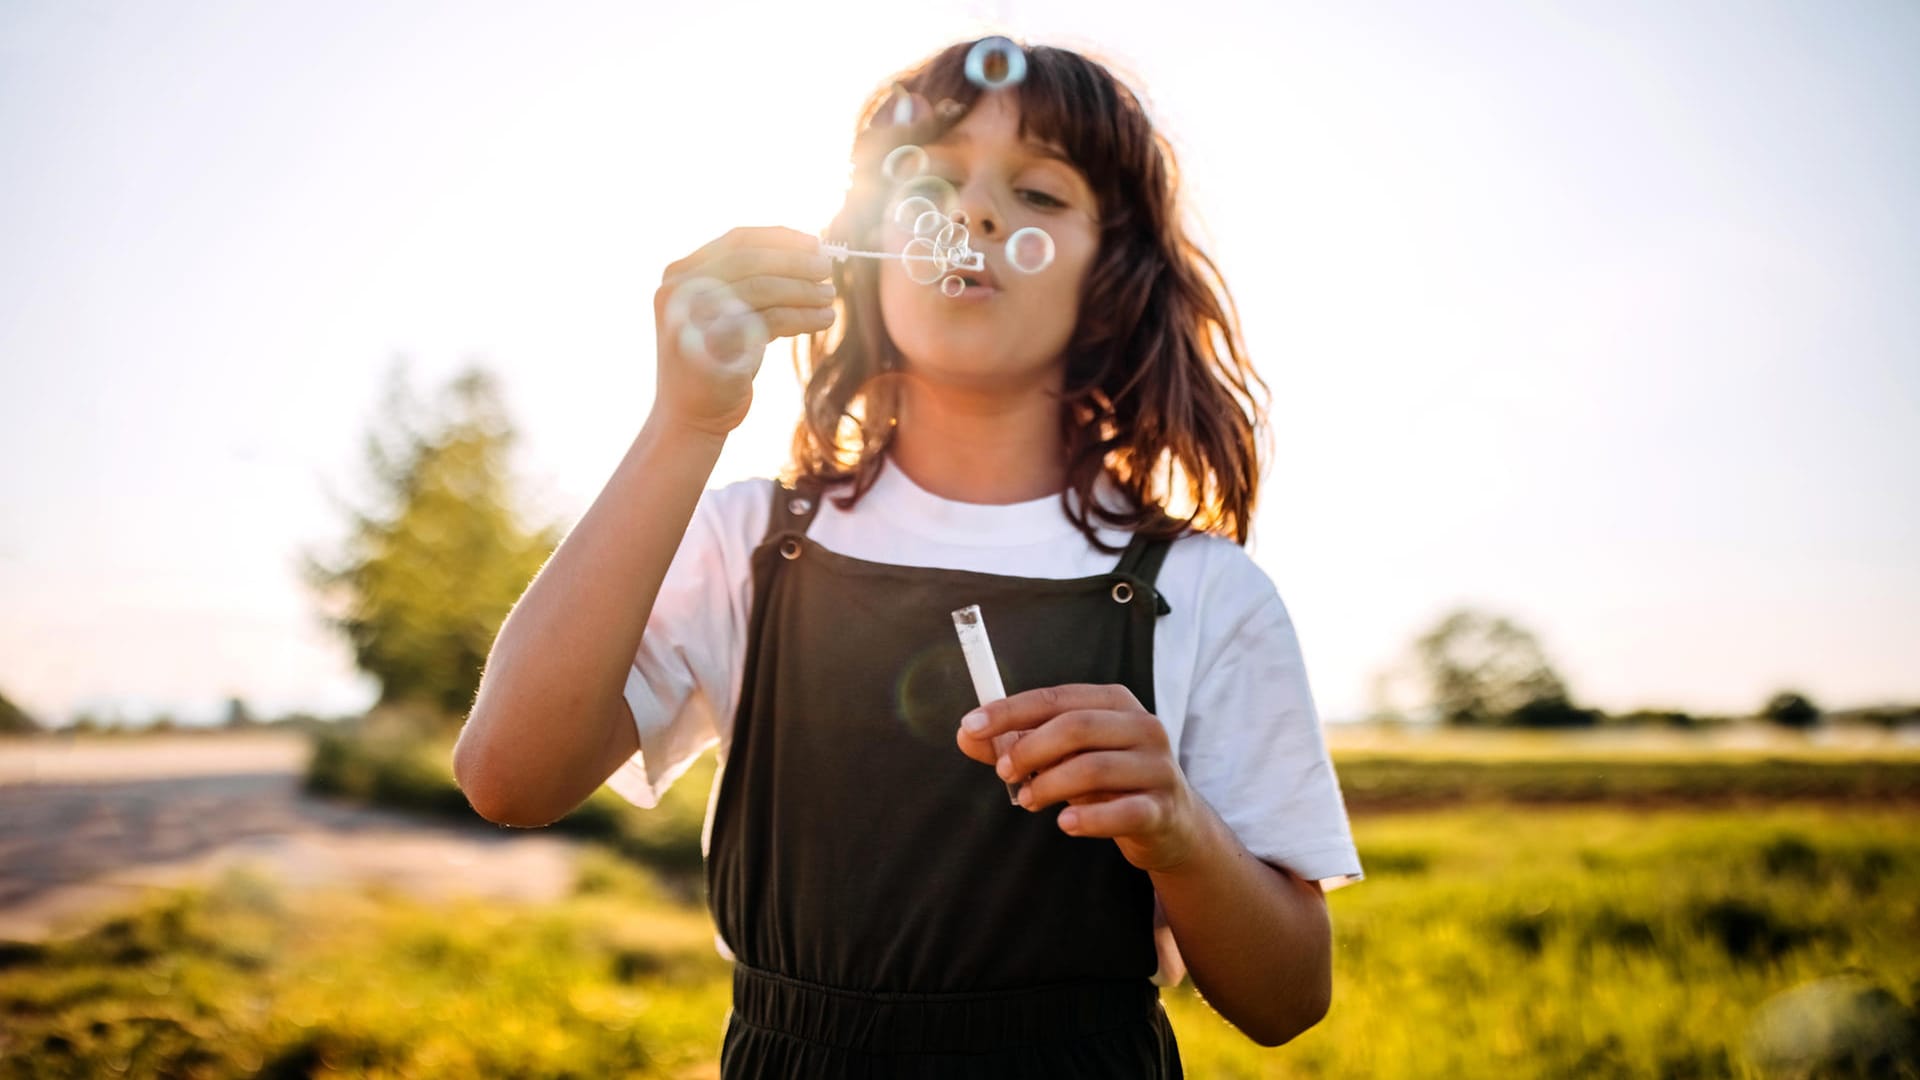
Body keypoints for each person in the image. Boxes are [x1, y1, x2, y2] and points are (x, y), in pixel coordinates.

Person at [453, 36, 1363, 1079]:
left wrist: (1180, 829)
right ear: (866, 256)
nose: (975, 216)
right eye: (928, 181)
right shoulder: (747, 542)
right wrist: (683, 425)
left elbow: (1289, 999)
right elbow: (507, 777)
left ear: (1112, 279)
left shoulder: (1207, 593)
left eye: (1037, 192)